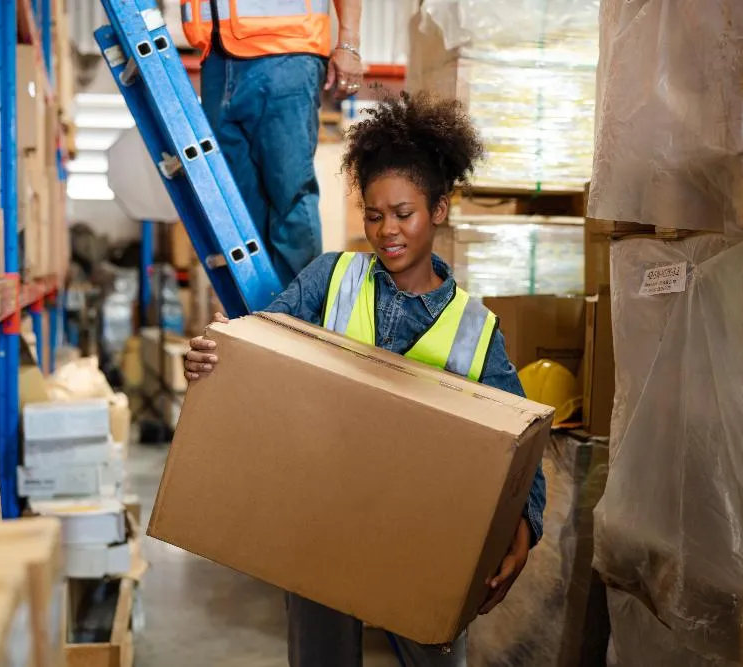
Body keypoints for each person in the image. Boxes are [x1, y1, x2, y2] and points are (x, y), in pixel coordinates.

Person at [184, 92, 547, 667]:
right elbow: (258, 348)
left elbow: (523, 441)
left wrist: (525, 527)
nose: (387, 231)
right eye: (374, 216)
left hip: (426, 533)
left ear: (439, 211)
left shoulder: (475, 328)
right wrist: (213, 357)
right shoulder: (332, 278)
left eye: (404, 213)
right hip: (322, 519)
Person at [181, 0, 364, 287]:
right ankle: (258, 320)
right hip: (216, 56)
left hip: (286, 52)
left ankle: (298, 320)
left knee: (289, 195)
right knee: (238, 206)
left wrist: (349, 44)